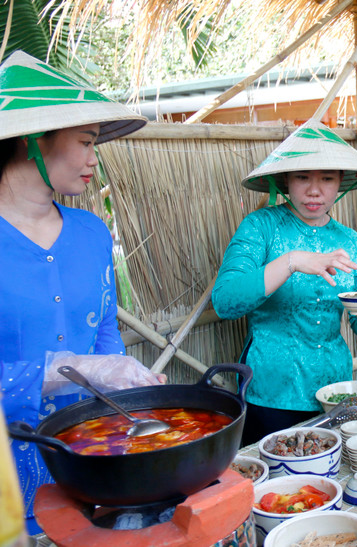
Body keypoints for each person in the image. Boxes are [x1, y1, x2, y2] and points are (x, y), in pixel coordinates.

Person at [0, 51, 152, 534]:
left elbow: (104, 329)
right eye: (86, 142)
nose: (94, 159)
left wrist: (122, 383)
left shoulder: (92, 232)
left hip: (96, 462)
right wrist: (70, 369)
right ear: (30, 142)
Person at [212, 120, 357, 446]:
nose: (315, 190)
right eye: (303, 177)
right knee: (278, 486)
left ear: (341, 183)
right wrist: (291, 261)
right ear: (285, 180)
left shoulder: (351, 242)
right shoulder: (260, 227)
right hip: (273, 393)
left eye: (327, 178)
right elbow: (225, 301)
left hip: (337, 391)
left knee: (337, 475)